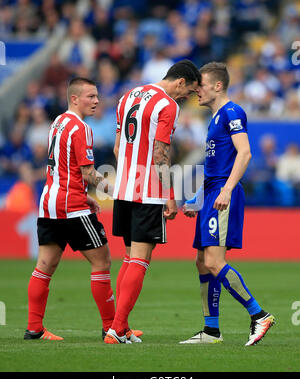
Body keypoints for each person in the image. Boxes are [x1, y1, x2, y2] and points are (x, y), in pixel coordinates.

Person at [104, 60, 201, 344]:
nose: (187, 98)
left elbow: (117, 147)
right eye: (189, 91)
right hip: (148, 192)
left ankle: (121, 326)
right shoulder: (167, 105)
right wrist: (169, 194)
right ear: (180, 82)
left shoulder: (128, 96)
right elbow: (160, 155)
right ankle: (116, 329)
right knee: (141, 260)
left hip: (124, 189)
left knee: (129, 257)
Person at [179, 62, 275, 346]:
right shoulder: (215, 118)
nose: (197, 89)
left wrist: (227, 190)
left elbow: (245, 153)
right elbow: (216, 165)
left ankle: (259, 314)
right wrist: (198, 198)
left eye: (202, 84)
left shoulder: (232, 112)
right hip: (212, 194)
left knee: (213, 261)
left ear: (218, 86)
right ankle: (211, 331)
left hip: (223, 195)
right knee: (201, 262)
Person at [24, 77, 125, 341]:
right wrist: (115, 191)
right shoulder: (81, 128)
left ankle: (34, 328)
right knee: (102, 261)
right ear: (74, 98)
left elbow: (62, 167)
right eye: (91, 96)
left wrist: (83, 193)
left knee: (44, 265)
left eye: (97, 96)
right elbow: (89, 173)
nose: (96, 101)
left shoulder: (57, 122)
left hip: (49, 202)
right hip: (71, 206)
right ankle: (112, 328)